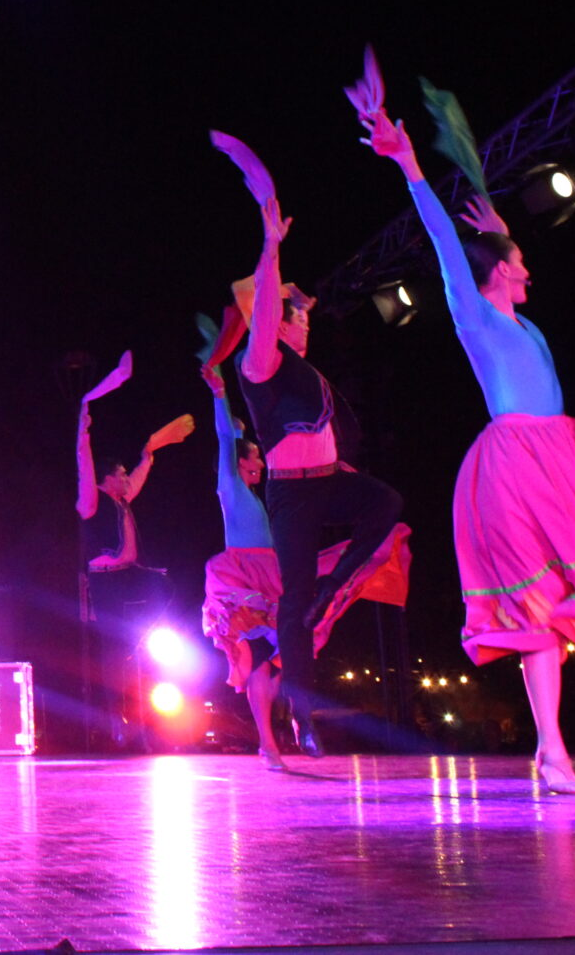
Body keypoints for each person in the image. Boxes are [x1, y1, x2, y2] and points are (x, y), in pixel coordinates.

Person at [359, 100, 575, 794]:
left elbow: (494, 246)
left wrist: (495, 225)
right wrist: (407, 163)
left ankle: (551, 749)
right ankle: (552, 750)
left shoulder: (524, 324)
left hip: (560, 454)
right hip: (514, 469)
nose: (528, 272)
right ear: (495, 276)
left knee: (573, 584)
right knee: (536, 615)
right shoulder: (476, 315)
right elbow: (444, 244)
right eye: (518, 264)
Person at [235, 191, 406, 755]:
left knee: (385, 503)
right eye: (297, 318)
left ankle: (329, 591)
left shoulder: (310, 373)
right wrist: (270, 250)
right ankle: (303, 716)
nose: (305, 326)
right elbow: (261, 311)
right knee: (293, 604)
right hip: (293, 499)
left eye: (306, 318)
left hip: (331, 482)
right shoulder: (262, 365)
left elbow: (331, 430)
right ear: (276, 324)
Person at [197, 359, 413, 769]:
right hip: (242, 575)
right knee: (259, 657)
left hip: (274, 573)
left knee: (283, 656)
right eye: (254, 458)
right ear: (239, 463)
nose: (261, 463)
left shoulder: (266, 498)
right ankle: (268, 743)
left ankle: (286, 725)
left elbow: (238, 436)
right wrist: (219, 393)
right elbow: (227, 436)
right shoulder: (230, 486)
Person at [72, 351, 192, 746]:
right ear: (108, 479)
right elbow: (83, 463)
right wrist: (83, 430)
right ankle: (115, 721)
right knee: (111, 651)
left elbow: (141, 473)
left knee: (172, 588)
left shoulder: (123, 499)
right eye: (121, 475)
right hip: (106, 581)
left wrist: (150, 452)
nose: (127, 479)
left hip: (129, 577)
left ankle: (141, 646)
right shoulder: (93, 501)